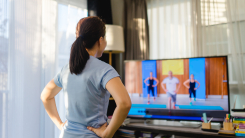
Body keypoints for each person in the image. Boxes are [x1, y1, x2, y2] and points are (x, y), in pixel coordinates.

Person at [40, 16, 131, 138]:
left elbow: (45, 96)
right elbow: (124, 103)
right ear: (100, 40)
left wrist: (61, 125)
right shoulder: (104, 70)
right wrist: (107, 134)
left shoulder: (67, 68)